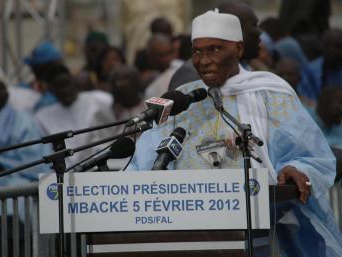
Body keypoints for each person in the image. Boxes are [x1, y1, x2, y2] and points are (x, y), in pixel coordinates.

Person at [128, 9, 342, 256]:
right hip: (187, 235)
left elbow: (314, 157)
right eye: (197, 51)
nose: (204, 59)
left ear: (238, 50)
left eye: (215, 49)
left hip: (259, 234)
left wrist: (296, 169)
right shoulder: (183, 99)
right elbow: (143, 165)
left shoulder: (271, 93)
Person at [168, 0, 262, 91]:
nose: (259, 31)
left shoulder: (266, 85)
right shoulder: (190, 76)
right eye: (254, 25)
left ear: (239, 48)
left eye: (215, 50)